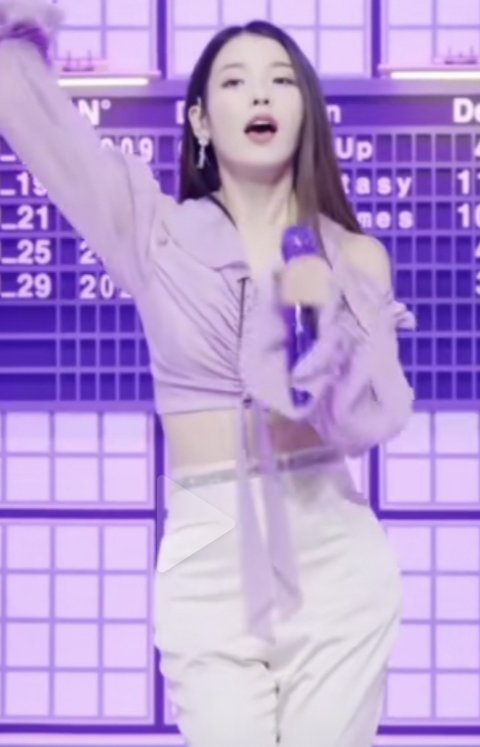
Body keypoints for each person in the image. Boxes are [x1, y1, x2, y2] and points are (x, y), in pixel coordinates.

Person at [0, 2, 416, 745]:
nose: (260, 94)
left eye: (281, 80)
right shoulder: (154, 234)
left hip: (333, 545)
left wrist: (327, 332)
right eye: (234, 81)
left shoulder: (354, 255)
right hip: (208, 539)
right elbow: (40, 124)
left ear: (305, 111)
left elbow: (366, 421)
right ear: (199, 119)